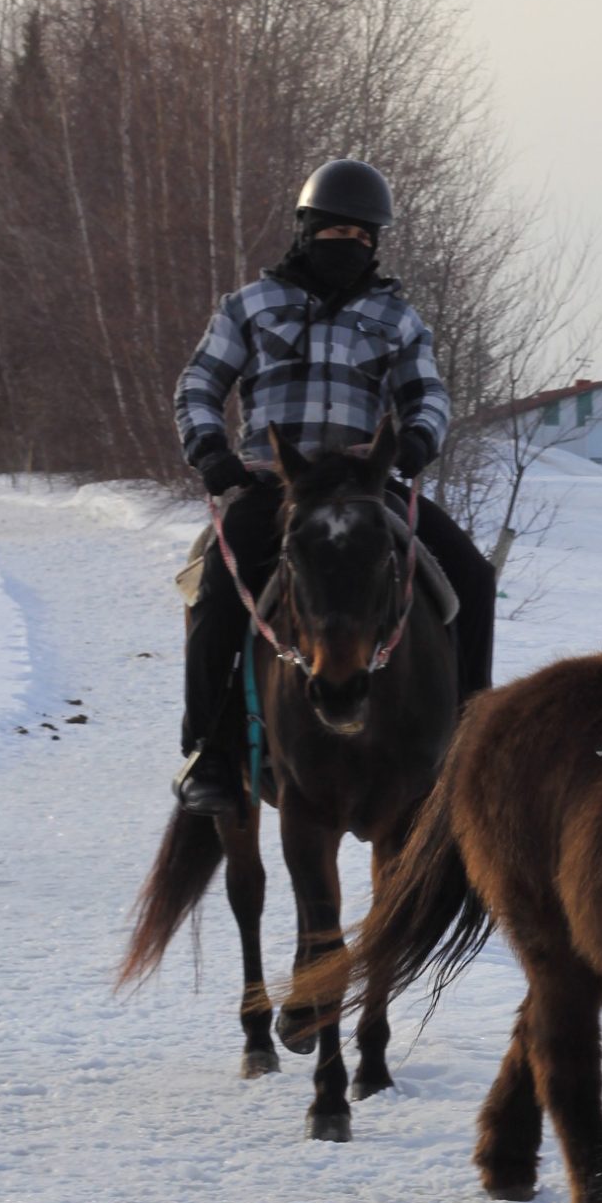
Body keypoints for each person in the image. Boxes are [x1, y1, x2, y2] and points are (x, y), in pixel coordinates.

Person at [171, 158, 497, 815]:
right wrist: (209, 448)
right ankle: (208, 750)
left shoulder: (396, 318)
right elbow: (198, 385)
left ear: (376, 242)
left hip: (366, 489)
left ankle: (469, 746)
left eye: (361, 237)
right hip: (275, 488)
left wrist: (415, 440)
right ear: (304, 229)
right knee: (214, 590)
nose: (346, 246)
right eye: (332, 232)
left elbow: (428, 393)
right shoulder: (249, 307)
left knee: (472, 576)